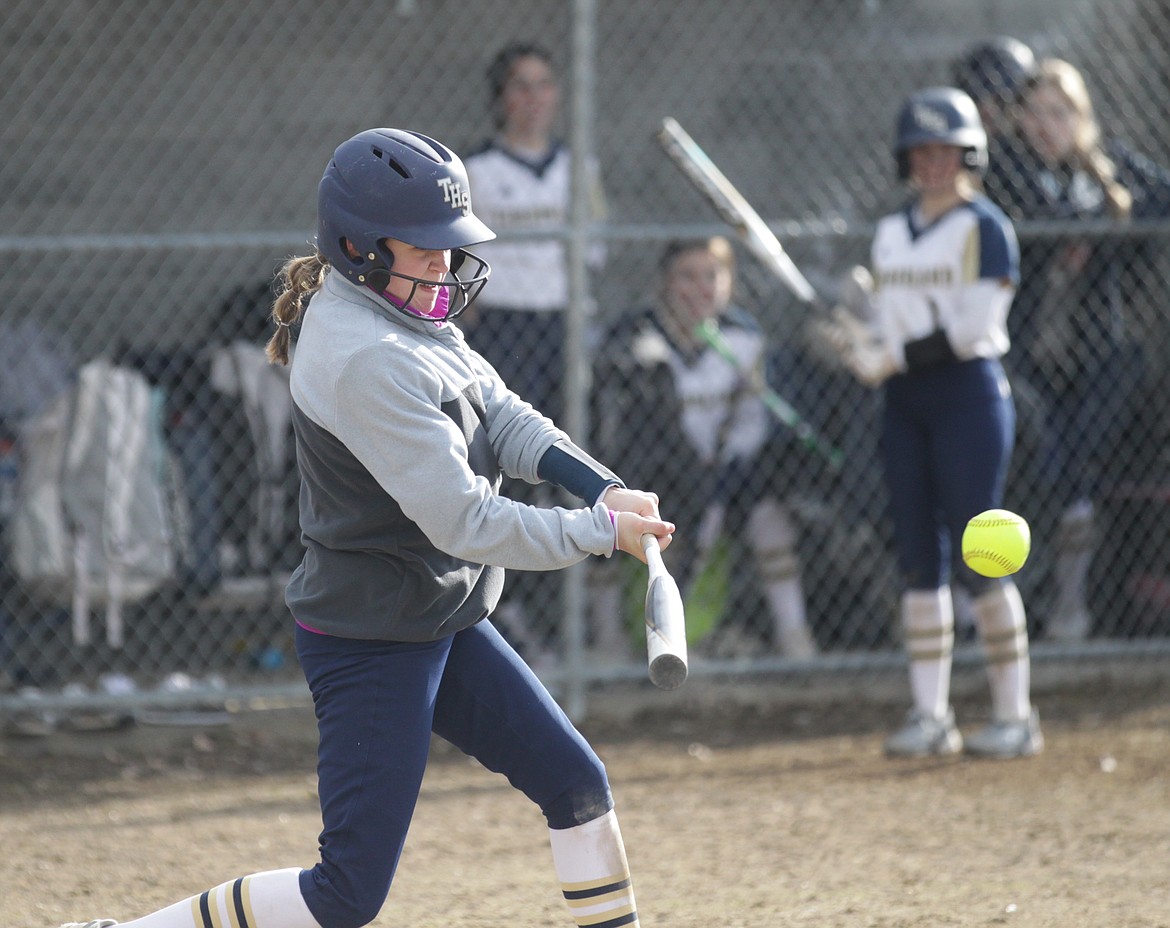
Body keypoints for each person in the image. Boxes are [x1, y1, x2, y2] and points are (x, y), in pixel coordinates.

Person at [56, 128, 672, 928]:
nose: (443, 269)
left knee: (577, 785)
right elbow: (467, 522)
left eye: (449, 249)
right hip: (373, 639)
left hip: (441, 617)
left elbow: (503, 415)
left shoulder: (407, 308)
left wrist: (603, 488)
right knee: (345, 894)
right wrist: (595, 533)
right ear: (356, 246)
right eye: (423, 250)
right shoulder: (366, 355)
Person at [817, 88, 1042, 758]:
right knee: (919, 557)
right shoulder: (891, 232)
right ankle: (930, 715)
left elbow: (974, 327)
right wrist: (860, 342)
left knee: (983, 550)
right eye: (923, 152)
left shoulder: (986, 227)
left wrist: (886, 357)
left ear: (970, 153)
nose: (935, 163)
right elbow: (888, 321)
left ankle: (1015, 715)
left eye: (948, 150)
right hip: (905, 402)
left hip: (969, 395)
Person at [993, 58, 1170, 641]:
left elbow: (1160, 198)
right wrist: (1079, 223)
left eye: (1060, 112)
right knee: (1035, 470)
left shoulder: (1107, 168)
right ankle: (1006, 609)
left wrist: (1103, 216)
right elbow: (1032, 225)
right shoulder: (1008, 172)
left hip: (1089, 358)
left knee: (1077, 474)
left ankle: (1070, 609)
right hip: (1026, 356)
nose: (1046, 126)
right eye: (1035, 113)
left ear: (1081, 118)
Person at [593, 237, 818, 660]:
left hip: (728, 469)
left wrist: (723, 470)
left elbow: (754, 428)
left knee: (769, 518)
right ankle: (612, 645)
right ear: (663, 283)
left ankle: (795, 635)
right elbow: (625, 429)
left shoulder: (744, 339)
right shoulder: (637, 338)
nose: (699, 289)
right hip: (656, 471)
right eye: (686, 277)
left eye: (711, 276)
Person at [460, 41, 608, 663]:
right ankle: (512, 618)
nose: (533, 99)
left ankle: (580, 623)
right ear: (500, 98)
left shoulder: (578, 167)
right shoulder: (477, 170)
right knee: (508, 471)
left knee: (568, 467)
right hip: (504, 328)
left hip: (562, 327)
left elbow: (594, 249)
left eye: (544, 85)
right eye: (520, 86)